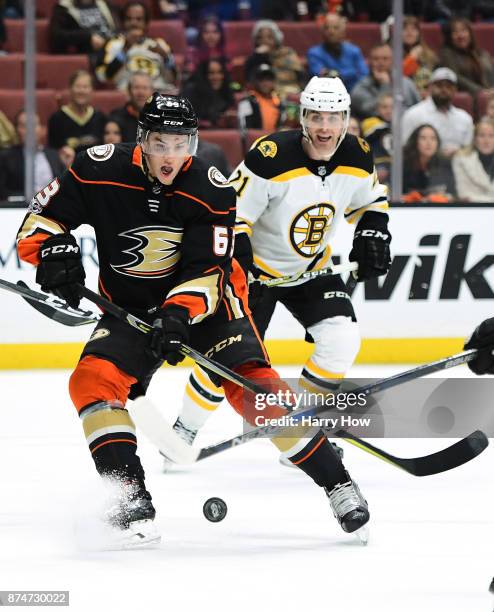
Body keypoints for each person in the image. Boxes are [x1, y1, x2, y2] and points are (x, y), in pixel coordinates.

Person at [15, 92, 370, 544]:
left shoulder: (212, 186)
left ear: (195, 143)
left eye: (182, 144)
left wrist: (176, 317)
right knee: (92, 381)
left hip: (210, 306)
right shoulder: (96, 168)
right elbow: (41, 219)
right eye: (161, 143)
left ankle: (337, 483)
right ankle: (128, 497)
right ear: (142, 139)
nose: (171, 156)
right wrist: (53, 251)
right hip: (131, 305)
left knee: (254, 392)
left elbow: (208, 270)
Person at [166, 77, 391, 479]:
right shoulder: (270, 156)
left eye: (334, 118)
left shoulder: (359, 155)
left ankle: (299, 434)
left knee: (341, 340)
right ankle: (184, 429)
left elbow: (370, 202)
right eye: (317, 116)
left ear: (346, 120)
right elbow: (232, 212)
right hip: (255, 275)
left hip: (310, 271)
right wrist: (242, 258)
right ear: (302, 117)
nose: (325, 127)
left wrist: (374, 231)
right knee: (227, 358)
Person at [95, 1, 176, 91]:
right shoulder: (113, 44)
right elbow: (102, 77)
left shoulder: (159, 44)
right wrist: (125, 49)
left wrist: (165, 57)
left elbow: (173, 79)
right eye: (129, 19)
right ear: (123, 22)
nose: (133, 23)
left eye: (139, 19)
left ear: (146, 23)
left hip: (157, 93)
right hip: (127, 93)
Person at [402, 67, 474, 158]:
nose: (444, 90)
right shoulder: (413, 114)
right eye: (439, 85)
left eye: (448, 86)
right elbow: (405, 148)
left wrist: (459, 152)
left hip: (457, 166)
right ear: (430, 87)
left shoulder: (465, 118)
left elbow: (469, 150)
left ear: (455, 90)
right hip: (424, 168)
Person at [0, 110, 65, 201]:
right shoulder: (5, 157)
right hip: (20, 208)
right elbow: (3, 192)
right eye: (24, 126)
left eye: (34, 125)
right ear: (17, 130)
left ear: (43, 130)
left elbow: (66, 187)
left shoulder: (54, 155)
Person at [351, 43, 420, 120]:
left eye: (385, 58)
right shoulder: (361, 87)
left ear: (393, 60)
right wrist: (385, 85)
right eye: (376, 59)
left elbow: (418, 109)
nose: (380, 63)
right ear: (369, 61)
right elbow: (370, 112)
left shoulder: (406, 83)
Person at [48, 70, 106, 157]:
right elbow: (52, 153)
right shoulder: (56, 119)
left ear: (92, 91)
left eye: (85, 87)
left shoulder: (100, 117)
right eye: (77, 86)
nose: (81, 91)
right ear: (70, 89)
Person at [307, 13, 368, 93]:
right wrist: (352, 73)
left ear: (343, 31)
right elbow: (322, 76)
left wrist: (335, 74)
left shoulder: (354, 51)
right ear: (322, 31)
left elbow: (364, 74)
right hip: (326, 95)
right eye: (326, 28)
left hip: (354, 93)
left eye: (336, 28)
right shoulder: (314, 53)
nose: (331, 31)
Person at [244, 19, 305, 101]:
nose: (264, 41)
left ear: (277, 38)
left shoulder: (287, 53)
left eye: (269, 37)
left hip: (292, 91)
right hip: (266, 96)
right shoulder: (255, 58)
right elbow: (250, 79)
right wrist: (257, 56)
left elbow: (301, 75)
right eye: (260, 38)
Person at [439, 17, 494, 98]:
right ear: (449, 36)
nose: (461, 35)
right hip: (468, 98)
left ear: (470, 33)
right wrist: (480, 91)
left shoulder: (482, 53)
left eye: (464, 30)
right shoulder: (446, 54)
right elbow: (455, 77)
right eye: (455, 32)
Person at [402, 124, 456, 202]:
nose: (429, 143)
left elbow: (452, 194)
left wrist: (439, 198)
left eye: (433, 138)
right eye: (423, 138)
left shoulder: (445, 163)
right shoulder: (404, 164)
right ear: (415, 141)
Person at [181, 59, 236, 128]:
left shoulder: (225, 91)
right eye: (211, 73)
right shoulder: (190, 91)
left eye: (220, 72)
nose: (217, 77)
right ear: (203, 75)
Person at [49, 0, 117, 55]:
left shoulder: (104, 4)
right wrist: (88, 37)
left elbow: (117, 27)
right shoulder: (63, 8)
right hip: (90, 52)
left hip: (113, 45)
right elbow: (57, 36)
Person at [452, 118, 494, 202]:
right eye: (482, 135)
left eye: (491, 136)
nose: (486, 141)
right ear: (474, 139)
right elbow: (464, 194)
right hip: (471, 210)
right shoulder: (461, 159)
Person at [109, 71, 153, 143]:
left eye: (145, 88)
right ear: (129, 91)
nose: (141, 92)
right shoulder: (116, 117)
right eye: (136, 87)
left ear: (152, 92)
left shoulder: (160, 118)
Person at [237, 64, 283, 131]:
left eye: (268, 79)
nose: (265, 83)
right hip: (256, 139)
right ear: (255, 82)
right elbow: (245, 131)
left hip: (276, 139)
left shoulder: (279, 101)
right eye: (262, 80)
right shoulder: (247, 102)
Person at [402, 15, 438, 98]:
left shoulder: (429, 55)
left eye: (413, 29)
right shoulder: (393, 53)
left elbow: (436, 76)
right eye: (405, 29)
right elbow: (399, 77)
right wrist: (411, 58)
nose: (409, 32)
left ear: (419, 33)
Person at [361, 93, 393, 187]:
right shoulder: (370, 122)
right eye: (385, 107)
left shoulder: (397, 124)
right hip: (377, 163)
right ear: (378, 109)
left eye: (392, 107)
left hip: (393, 165)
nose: (389, 110)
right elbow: (373, 132)